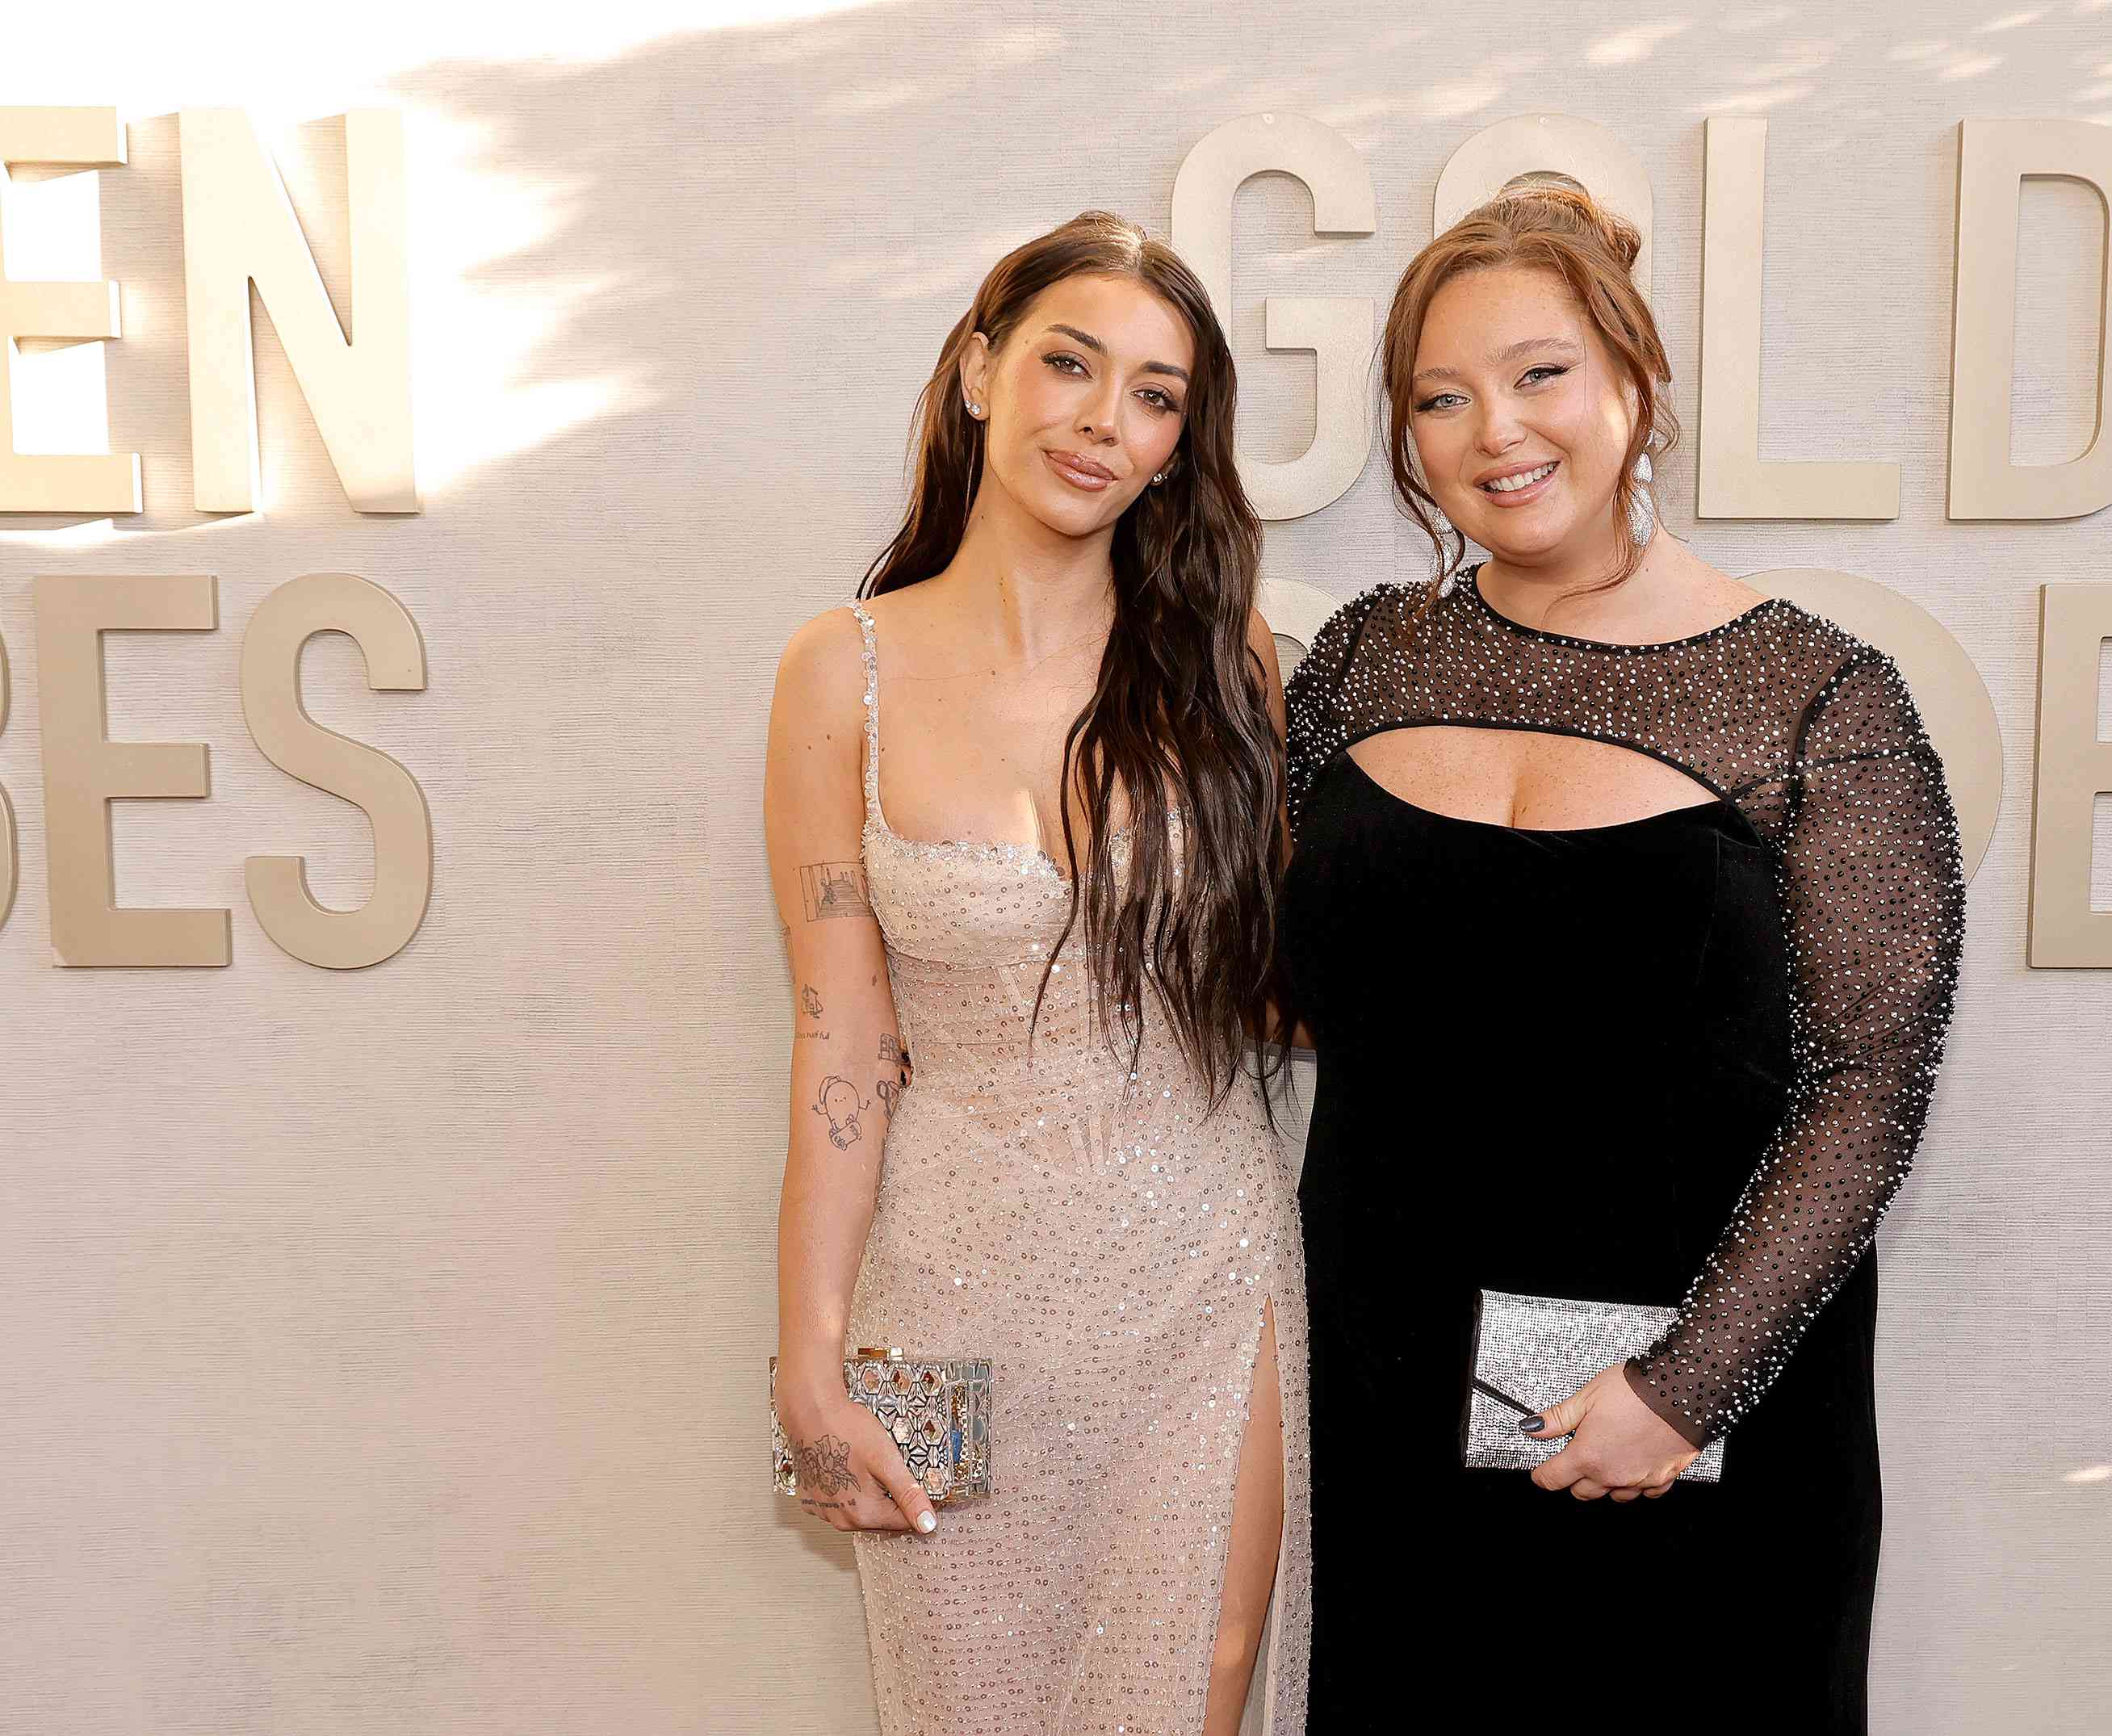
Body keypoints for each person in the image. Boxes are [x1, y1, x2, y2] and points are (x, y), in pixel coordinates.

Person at [1275, 181, 1967, 1729]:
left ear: (1634, 384)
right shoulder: (1363, 660)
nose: (1493, 431)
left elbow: (1870, 1081)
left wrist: (1684, 1388)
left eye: (1538, 375)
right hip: (1383, 1385)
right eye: (1438, 398)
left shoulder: (1811, 695)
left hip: (1693, 1418)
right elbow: (1284, 982)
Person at [762, 210, 1308, 1734]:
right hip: (943, 1289)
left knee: (1190, 1695)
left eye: (1154, 394)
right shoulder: (840, 670)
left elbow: (1279, 980)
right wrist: (808, 1357)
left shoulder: (1227, 665)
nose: (1103, 419)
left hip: (1207, 1276)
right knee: (959, 1699)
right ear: (980, 369)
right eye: (1070, 363)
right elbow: (841, 1045)